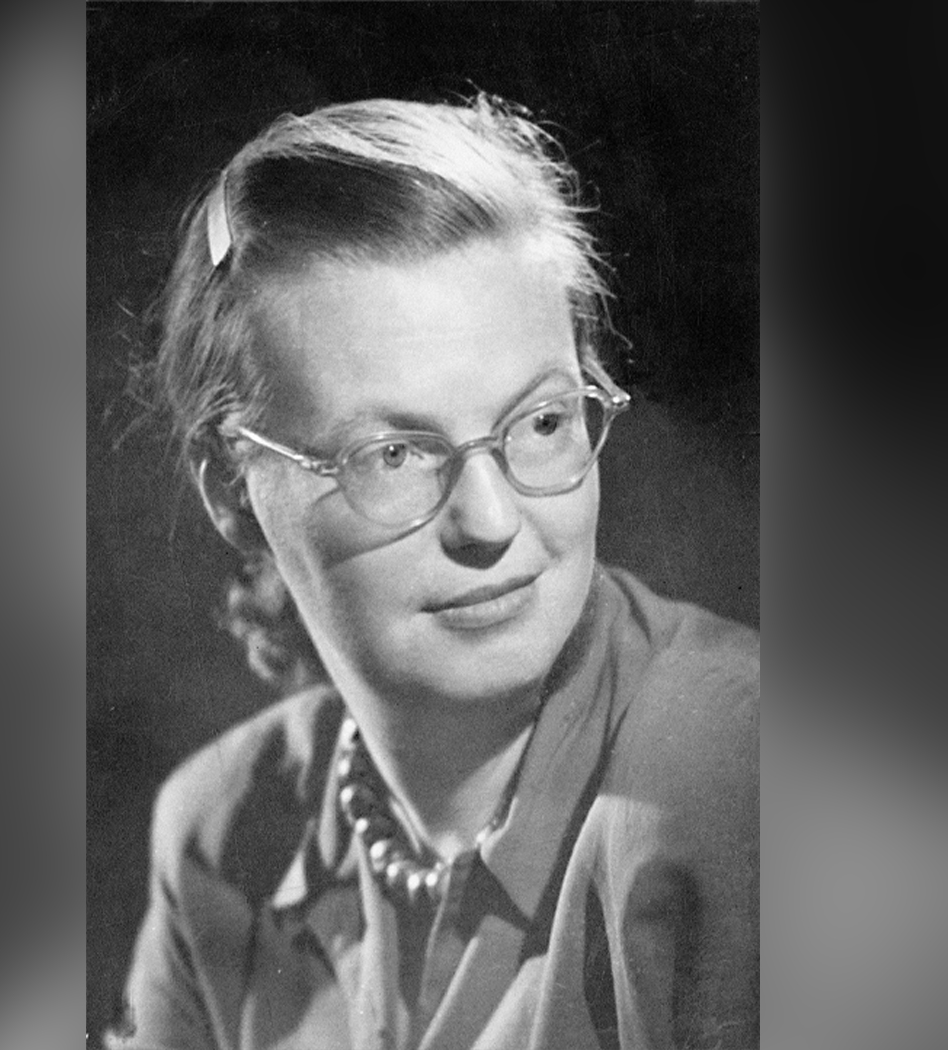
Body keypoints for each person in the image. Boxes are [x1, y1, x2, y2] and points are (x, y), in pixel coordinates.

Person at [108, 94, 758, 1050]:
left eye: (542, 421)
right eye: (394, 455)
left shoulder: (747, 784)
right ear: (231, 489)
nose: (491, 523)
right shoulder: (220, 832)